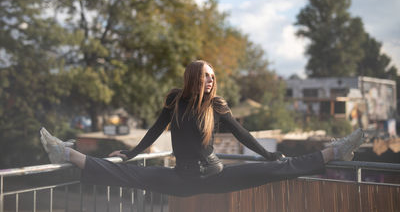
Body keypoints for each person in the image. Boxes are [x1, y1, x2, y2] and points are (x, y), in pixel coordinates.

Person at [40, 60, 365, 197]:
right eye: (205, 74)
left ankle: (337, 149)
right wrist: (132, 152)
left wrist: (267, 154)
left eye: (212, 75)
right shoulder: (174, 102)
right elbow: (155, 131)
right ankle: (64, 151)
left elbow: (241, 134)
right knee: (129, 175)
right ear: (193, 76)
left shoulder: (217, 107)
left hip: (217, 175)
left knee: (279, 168)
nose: (210, 79)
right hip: (181, 178)